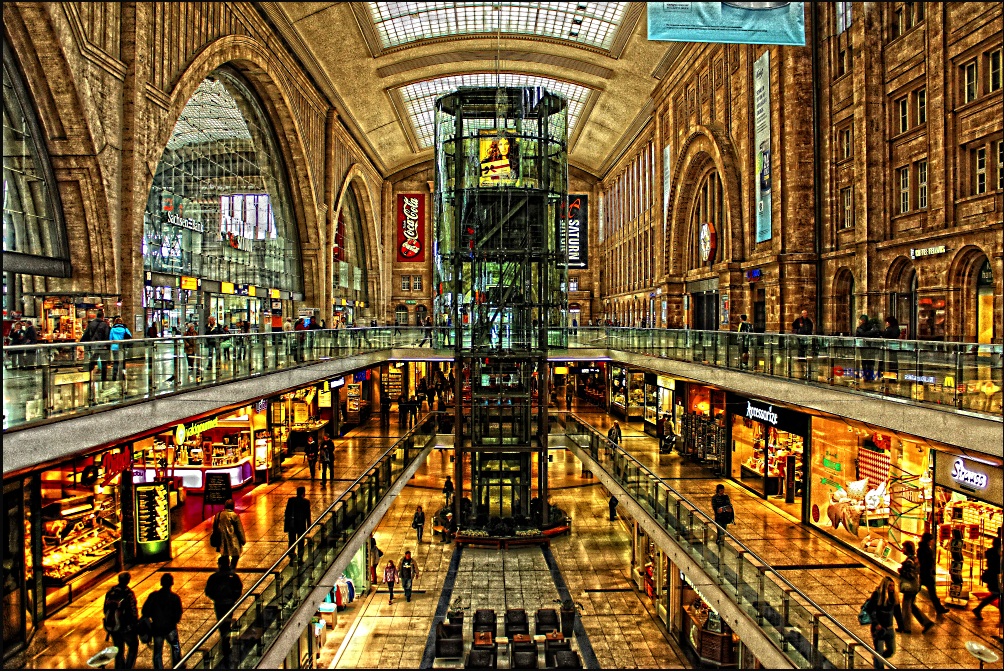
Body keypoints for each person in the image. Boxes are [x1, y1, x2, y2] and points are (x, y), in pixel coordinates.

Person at [205, 556, 244, 666]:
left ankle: (224, 638)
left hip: (219, 603)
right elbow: (238, 590)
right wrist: (233, 598)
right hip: (229, 602)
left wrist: (216, 598)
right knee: (227, 620)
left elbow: (208, 591)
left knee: (221, 620)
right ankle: (225, 639)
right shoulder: (233, 577)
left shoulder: (214, 577)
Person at [142, 573, 183, 670]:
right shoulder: (174, 598)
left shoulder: (153, 596)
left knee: (157, 651)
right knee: (175, 647)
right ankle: (177, 665)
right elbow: (177, 615)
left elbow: (145, 611)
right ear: (171, 584)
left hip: (157, 628)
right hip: (170, 628)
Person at [103, 572, 139, 669]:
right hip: (126, 627)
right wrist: (135, 623)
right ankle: (128, 667)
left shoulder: (110, 593)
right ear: (128, 580)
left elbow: (105, 610)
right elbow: (133, 611)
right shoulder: (128, 594)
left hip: (114, 627)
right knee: (133, 646)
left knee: (118, 651)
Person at [897, 540, 934, 633]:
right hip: (915, 586)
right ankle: (926, 622)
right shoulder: (915, 558)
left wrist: (902, 572)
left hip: (910, 587)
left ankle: (906, 628)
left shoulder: (909, 561)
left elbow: (911, 575)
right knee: (911, 606)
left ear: (907, 549)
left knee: (906, 607)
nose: (902, 549)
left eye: (904, 547)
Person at [864, 576, 901, 670]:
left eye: (893, 586)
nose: (892, 588)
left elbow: (897, 612)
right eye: (890, 586)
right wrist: (876, 623)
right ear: (885, 586)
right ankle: (879, 663)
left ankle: (877, 659)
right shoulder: (877, 595)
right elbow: (870, 609)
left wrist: (902, 626)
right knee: (879, 651)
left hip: (889, 628)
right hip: (879, 629)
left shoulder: (894, 596)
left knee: (891, 650)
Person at [917, 532, 949, 615]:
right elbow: (924, 562)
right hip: (926, 574)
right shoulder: (925, 550)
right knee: (932, 593)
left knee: (931, 593)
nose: (932, 542)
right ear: (928, 540)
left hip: (926, 574)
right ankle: (939, 609)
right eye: (931, 540)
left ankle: (939, 608)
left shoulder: (924, 548)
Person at [974, 536, 1001, 620]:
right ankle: (978, 608)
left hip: (992, 576)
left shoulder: (990, 552)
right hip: (995, 577)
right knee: (998, 594)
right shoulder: (997, 554)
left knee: (997, 595)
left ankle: (978, 609)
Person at [214, 498, 246, 570]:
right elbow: (239, 530)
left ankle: (224, 569)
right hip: (233, 540)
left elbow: (215, 527)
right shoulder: (234, 516)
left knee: (224, 555)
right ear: (233, 507)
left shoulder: (218, 515)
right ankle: (231, 569)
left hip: (222, 540)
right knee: (235, 556)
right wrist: (242, 540)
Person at [81, 310, 112, 383]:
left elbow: (86, 335)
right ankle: (103, 378)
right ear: (102, 317)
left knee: (92, 361)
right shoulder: (105, 325)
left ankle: (87, 376)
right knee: (104, 363)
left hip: (93, 346)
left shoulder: (90, 324)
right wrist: (107, 346)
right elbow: (106, 336)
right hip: (103, 347)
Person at [284, 486, 312, 562]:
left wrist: (286, 526)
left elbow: (287, 513)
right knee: (301, 542)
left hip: (292, 525)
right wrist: (309, 527)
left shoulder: (291, 500)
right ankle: (300, 557)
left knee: (292, 541)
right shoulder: (306, 502)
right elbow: (307, 515)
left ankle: (291, 555)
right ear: (303, 493)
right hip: (301, 526)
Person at [109, 317, 132, 382]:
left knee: (116, 362)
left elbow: (110, 338)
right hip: (122, 347)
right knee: (123, 361)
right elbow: (130, 336)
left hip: (114, 347)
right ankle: (122, 375)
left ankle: (114, 376)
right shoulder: (125, 329)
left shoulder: (112, 329)